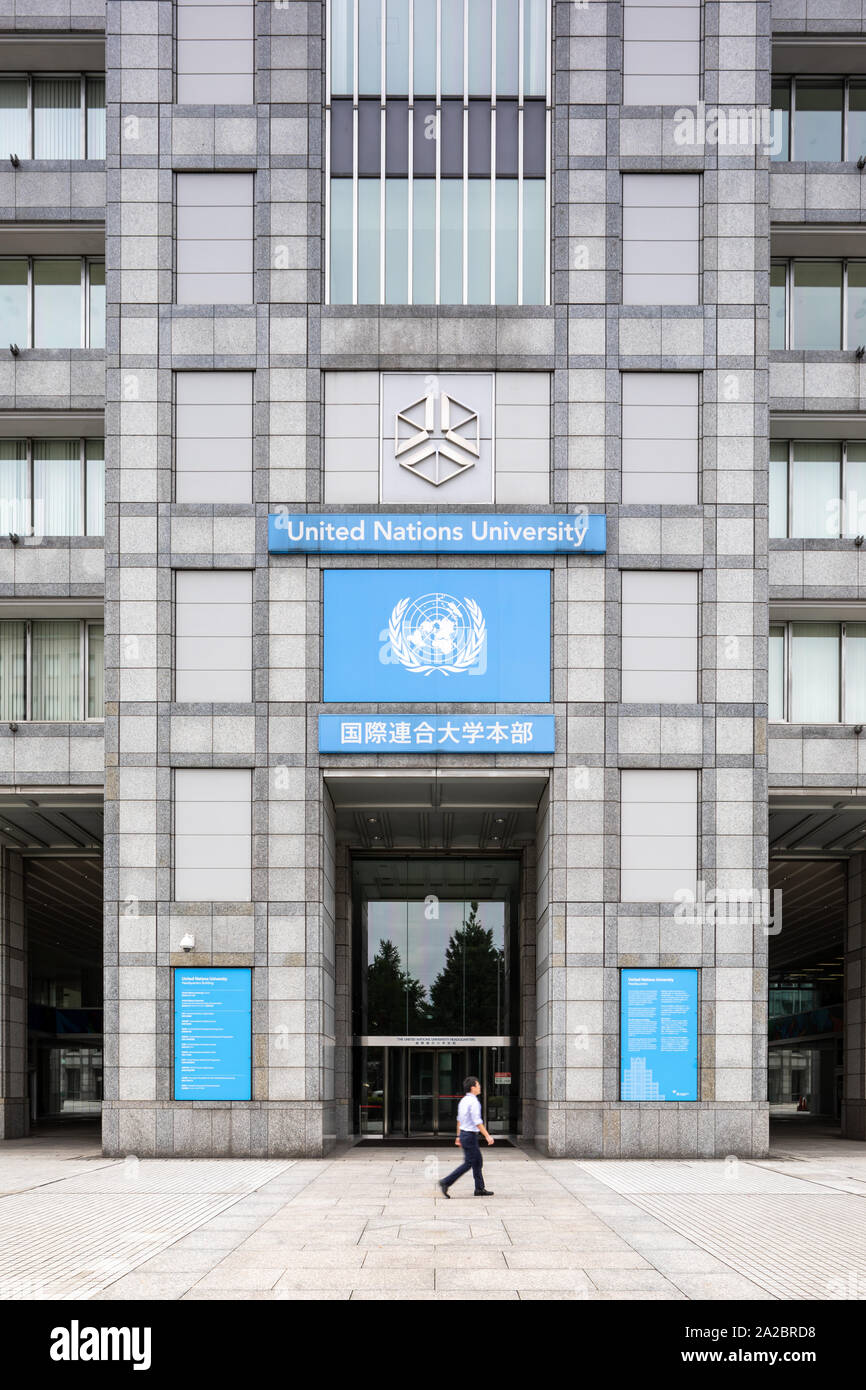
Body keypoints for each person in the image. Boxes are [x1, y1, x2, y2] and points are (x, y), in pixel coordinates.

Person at [438, 1075, 494, 1198]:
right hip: (469, 1136)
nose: (480, 1087)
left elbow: (459, 1120)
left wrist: (458, 1136)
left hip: (464, 1134)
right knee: (469, 1163)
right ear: (472, 1087)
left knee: (477, 1161)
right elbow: (477, 1122)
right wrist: (487, 1136)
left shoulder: (463, 1100)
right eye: (478, 1085)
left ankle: (479, 1188)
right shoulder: (474, 1102)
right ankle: (446, 1182)